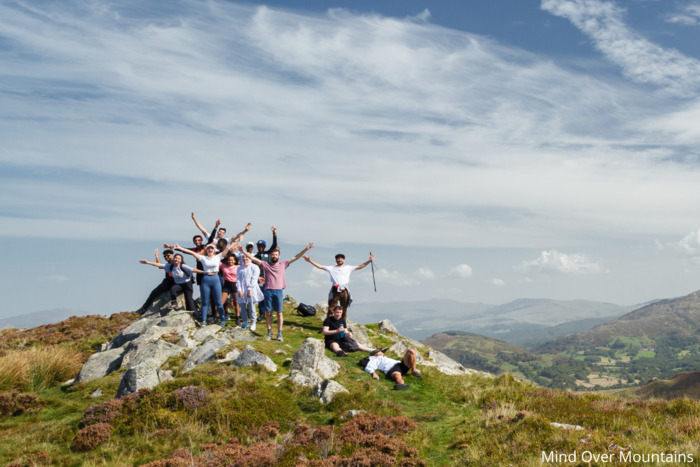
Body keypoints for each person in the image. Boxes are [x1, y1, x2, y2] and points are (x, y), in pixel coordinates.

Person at [238, 242, 314, 342]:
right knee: (268, 313)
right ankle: (269, 332)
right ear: (270, 256)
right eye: (273, 254)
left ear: (279, 256)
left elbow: (295, 257)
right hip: (268, 291)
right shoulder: (265, 264)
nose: (274, 256)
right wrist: (243, 251)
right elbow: (253, 259)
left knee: (279, 313)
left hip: (278, 291)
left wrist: (306, 249)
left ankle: (279, 333)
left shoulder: (283, 264)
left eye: (276, 254)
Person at [174, 241, 238, 327]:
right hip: (206, 279)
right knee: (205, 302)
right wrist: (179, 248)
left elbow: (228, 248)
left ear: (214, 250)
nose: (210, 249)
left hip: (215, 279)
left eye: (212, 248)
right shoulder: (203, 258)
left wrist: (237, 241)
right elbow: (191, 252)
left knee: (219, 302)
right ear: (206, 250)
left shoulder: (218, 256)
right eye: (208, 248)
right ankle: (204, 321)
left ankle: (222, 319)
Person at [303, 252, 376, 320]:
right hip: (335, 289)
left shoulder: (348, 268)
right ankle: (328, 326)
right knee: (331, 308)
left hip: (345, 290)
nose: (339, 259)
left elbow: (360, 266)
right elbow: (320, 267)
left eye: (341, 258)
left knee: (344, 309)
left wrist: (369, 261)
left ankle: (343, 326)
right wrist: (310, 261)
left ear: (344, 260)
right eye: (338, 258)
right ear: (335, 260)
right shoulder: (332, 268)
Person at [133, 248, 175, 316]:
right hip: (168, 281)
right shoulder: (169, 263)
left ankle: (144, 308)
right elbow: (160, 266)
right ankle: (144, 308)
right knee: (154, 293)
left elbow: (160, 266)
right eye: (164, 256)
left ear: (172, 255)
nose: (166, 257)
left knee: (154, 293)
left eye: (168, 255)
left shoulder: (175, 262)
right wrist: (156, 256)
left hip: (172, 282)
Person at [255, 226, 278, 321]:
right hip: (259, 279)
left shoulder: (268, 253)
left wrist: (274, 234)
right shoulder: (255, 256)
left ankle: (270, 313)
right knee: (260, 296)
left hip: (269, 279)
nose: (260, 247)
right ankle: (261, 313)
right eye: (259, 246)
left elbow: (274, 244)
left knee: (269, 296)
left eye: (262, 246)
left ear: (264, 247)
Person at [236, 255, 263, 330]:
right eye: (243, 258)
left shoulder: (254, 267)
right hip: (242, 288)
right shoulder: (239, 268)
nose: (245, 259)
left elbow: (254, 279)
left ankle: (253, 322)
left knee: (251, 306)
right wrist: (239, 289)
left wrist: (249, 289)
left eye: (246, 257)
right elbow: (238, 279)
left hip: (252, 288)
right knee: (242, 305)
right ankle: (245, 321)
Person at [220, 254, 240, 324]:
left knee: (236, 302)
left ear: (235, 261)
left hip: (234, 284)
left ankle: (237, 317)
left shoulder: (238, 267)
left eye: (232, 260)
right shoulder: (223, 266)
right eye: (229, 260)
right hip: (226, 284)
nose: (230, 261)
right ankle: (218, 317)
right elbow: (216, 260)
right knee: (221, 301)